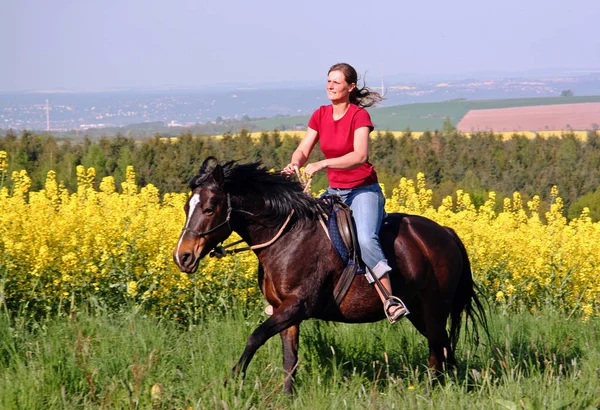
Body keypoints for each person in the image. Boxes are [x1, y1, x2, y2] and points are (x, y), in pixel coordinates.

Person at [282, 63, 408, 323]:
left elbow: (360, 156)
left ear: (350, 87)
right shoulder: (320, 115)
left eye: (336, 82)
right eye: (328, 81)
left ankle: (388, 299)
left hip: (363, 191)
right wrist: (296, 162)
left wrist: (324, 163)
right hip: (335, 192)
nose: (330, 86)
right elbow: (304, 149)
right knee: (305, 232)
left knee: (364, 238)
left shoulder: (359, 116)